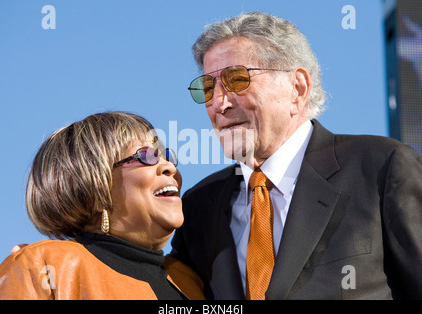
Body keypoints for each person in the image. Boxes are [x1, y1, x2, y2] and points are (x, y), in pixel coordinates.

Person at [171, 11, 422, 299]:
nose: (218, 102)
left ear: (297, 88)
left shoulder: (382, 168)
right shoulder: (199, 206)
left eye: (236, 79)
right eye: (207, 87)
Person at [0, 111, 204, 300]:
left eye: (165, 155)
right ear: (95, 186)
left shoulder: (191, 282)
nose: (169, 167)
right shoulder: (41, 267)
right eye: (145, 155)